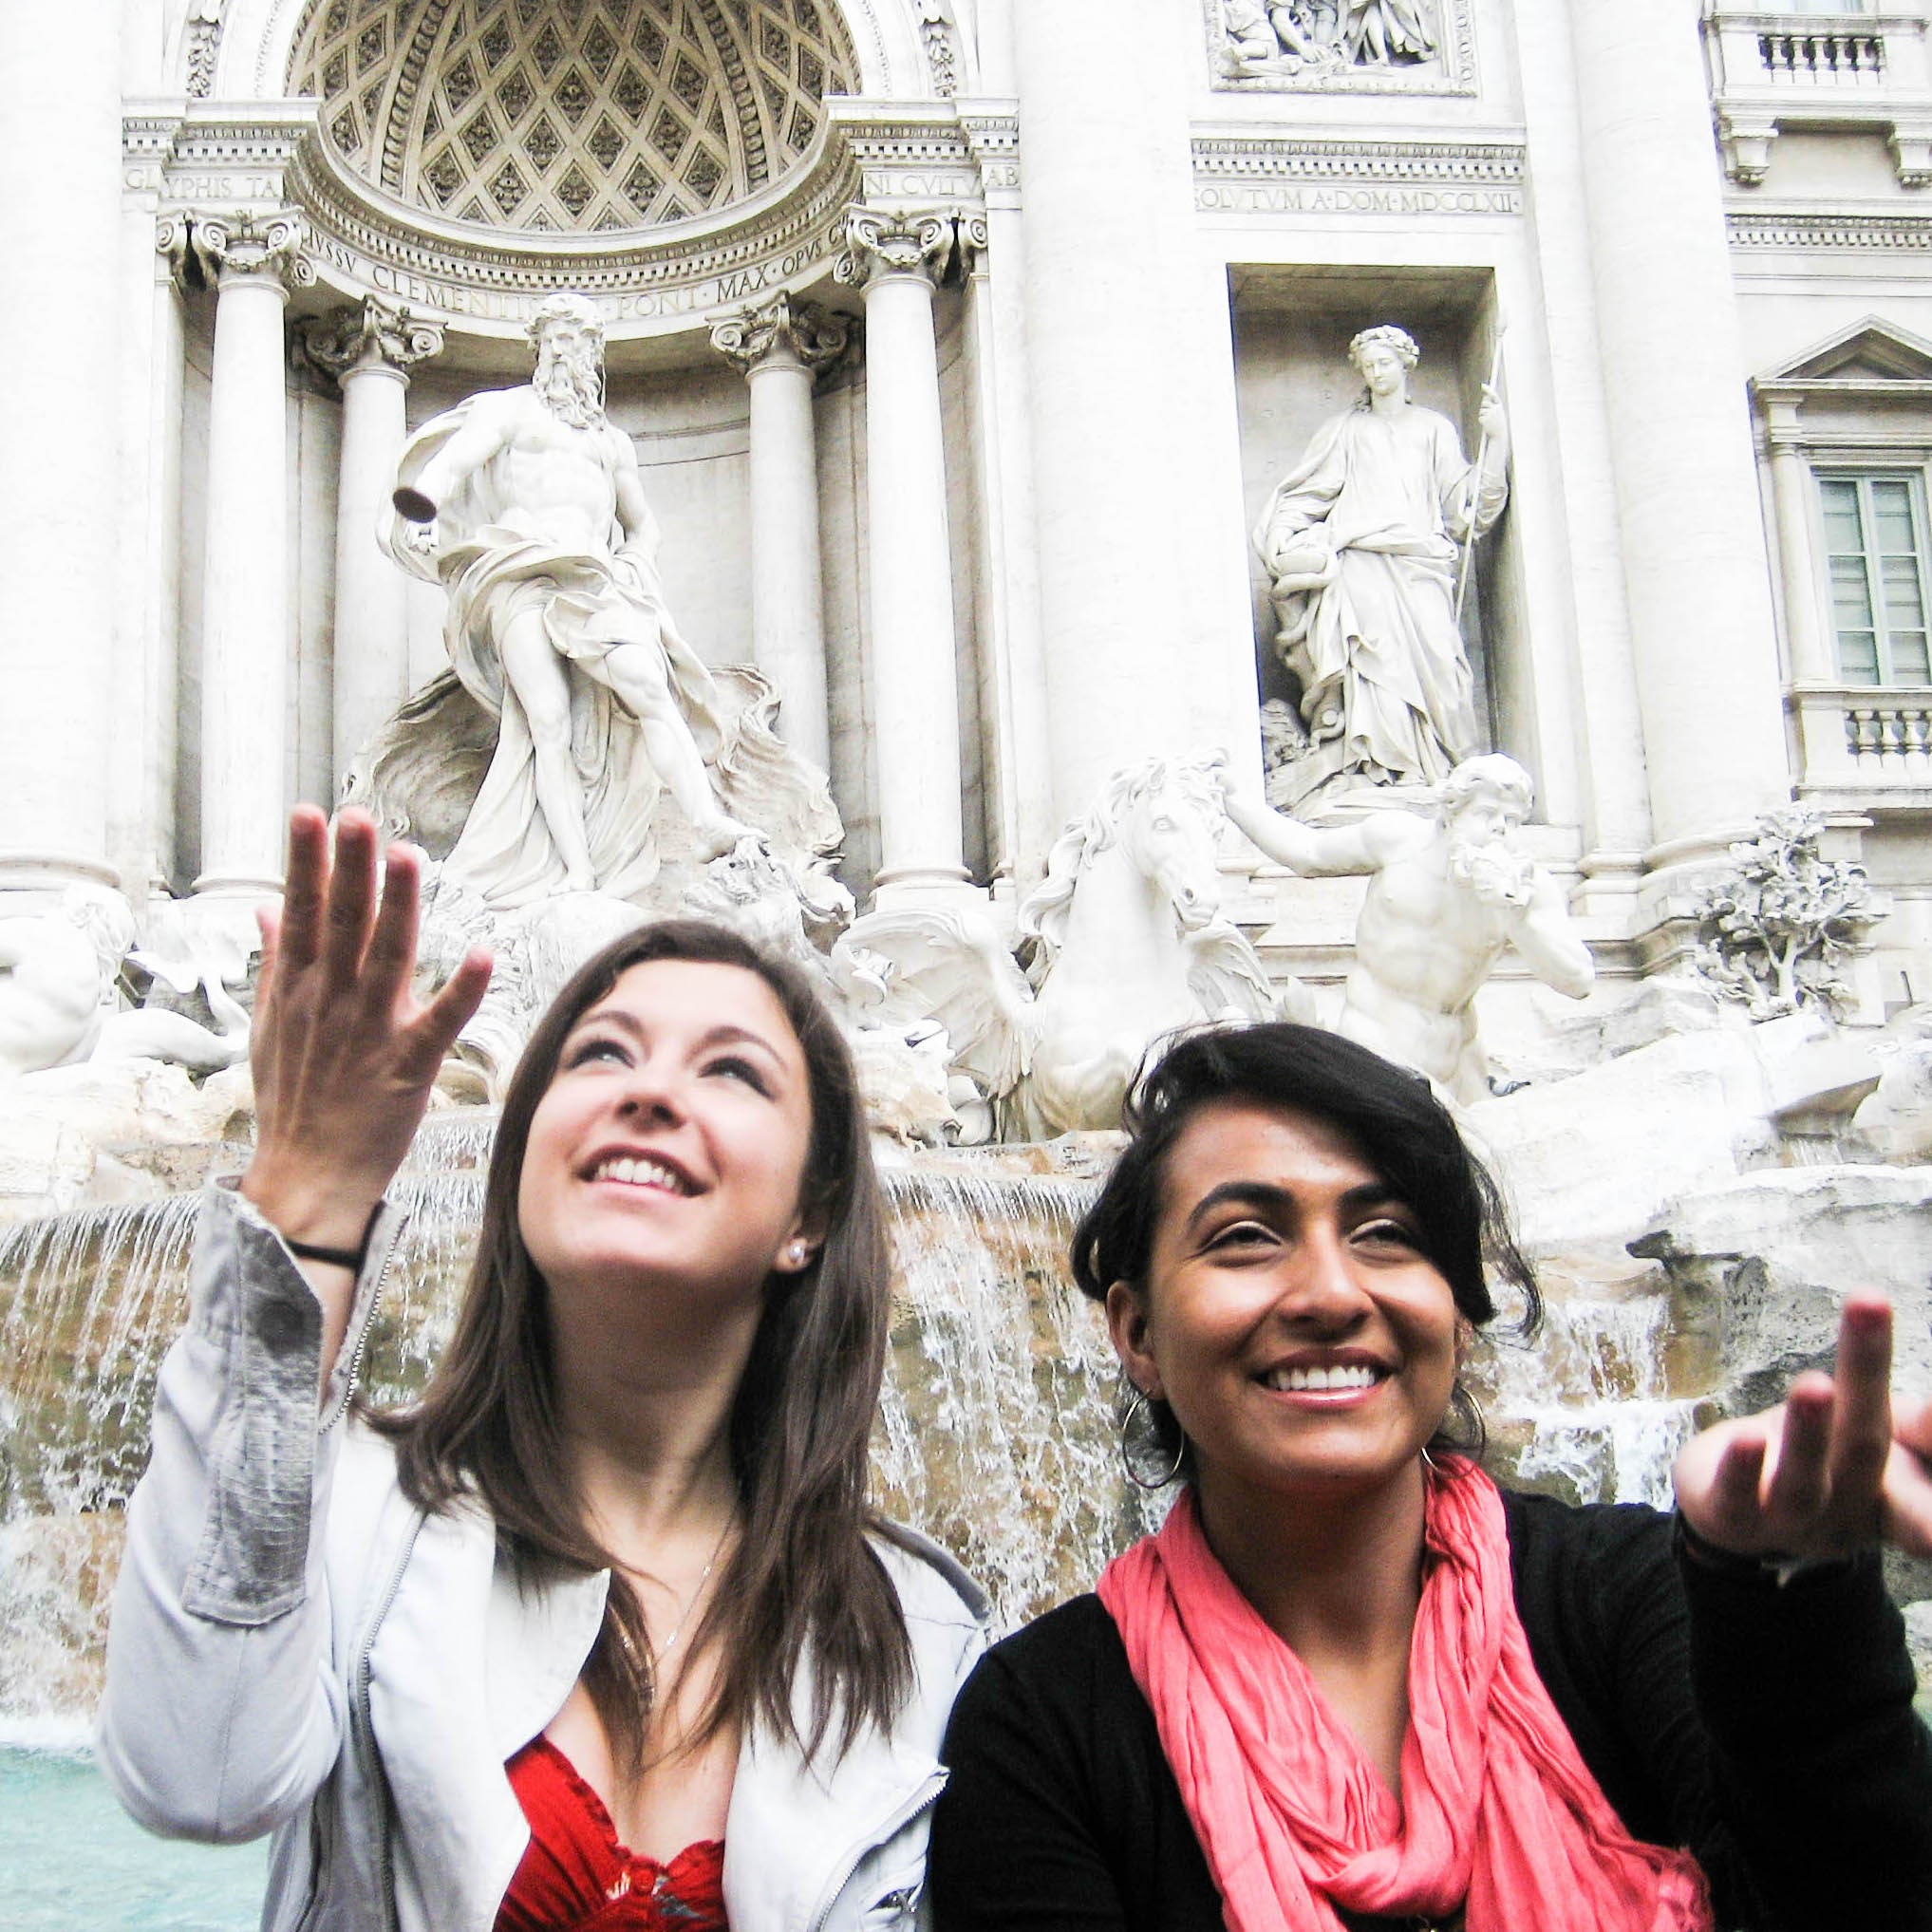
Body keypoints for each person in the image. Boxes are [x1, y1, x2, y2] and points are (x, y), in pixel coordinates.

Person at [99, 804, 987, 1932]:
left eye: (732, 1072)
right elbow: (197, 1777)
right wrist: (304, 1203)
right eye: (601, 1052)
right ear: (524, 1155)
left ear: (808, 1215)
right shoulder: (348, 1512)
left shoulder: (922, 1629)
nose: (649, 1090)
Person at [928, 1022, 1932, 1932]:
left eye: (1387, 1235)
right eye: (1244, 1237)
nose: (1329, 1291)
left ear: (1456, 1312)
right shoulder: (1039, 1726)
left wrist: (1794, 1617)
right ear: (1137, 1333)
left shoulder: (1632, 1597)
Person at [383, 291, 755, 905]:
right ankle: (576, 872)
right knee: (546, 721)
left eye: (576, 341)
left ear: (593, 355)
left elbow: (643, 524)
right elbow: (448, 468)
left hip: (594, 578)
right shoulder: (509, 412)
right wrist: (421, 510)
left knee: (650, 688)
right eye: (554, 340)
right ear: (538, 350)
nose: (564, 351)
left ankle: (706, 821)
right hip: (518, 572)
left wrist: (635, 563)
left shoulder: (610, 443)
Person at [1227, 754, 1593, 1102]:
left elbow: (1577, 980)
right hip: (1375, 1043)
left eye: (1512, 821)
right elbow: (1308, 852)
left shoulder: (1528, 888)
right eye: (1487, 813)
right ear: (1452, 814)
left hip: (1460, 1061)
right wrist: (1234, 799)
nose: (1500, 828)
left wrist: (1517, 913)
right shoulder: (1399, 840)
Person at [1252, 326, 1506, 800]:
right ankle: (1381, 770)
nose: (1375, 373)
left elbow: (1465, 507)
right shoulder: (1345, 430)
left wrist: (1498, 443)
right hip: (1360, 561)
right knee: (1373, 665)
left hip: (1420, 561)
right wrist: (1283, 535)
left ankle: (1441, 767)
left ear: (1405, 364)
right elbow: (1307, 494)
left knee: (1440, 665)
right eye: (1368, 366)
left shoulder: (1433, 428)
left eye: (1383, 363)